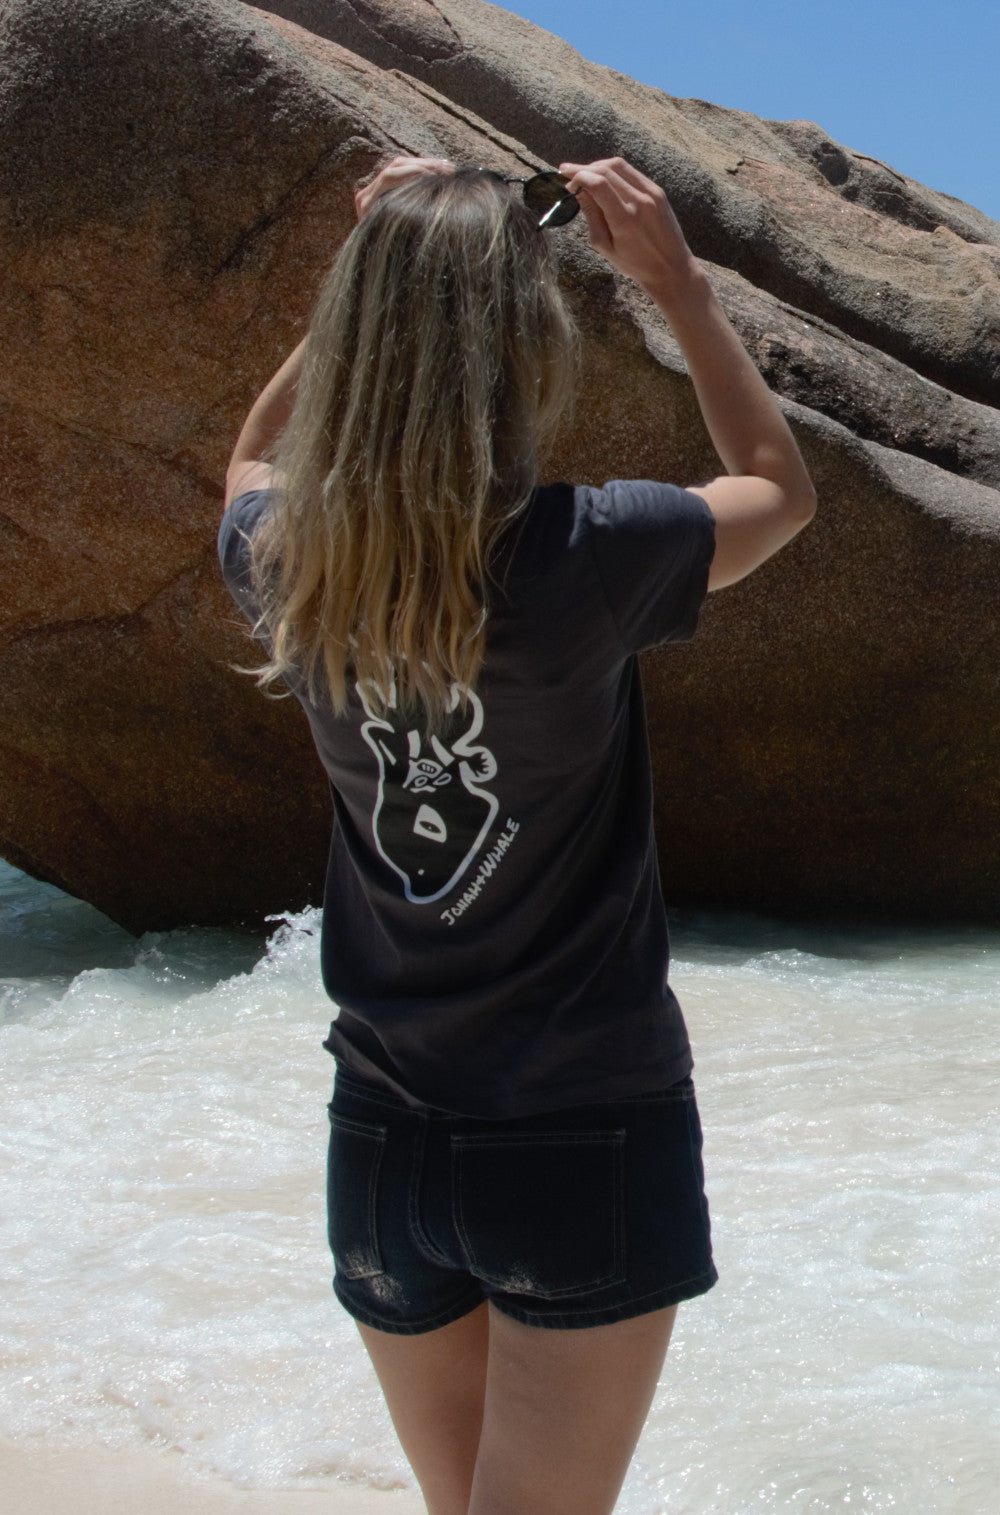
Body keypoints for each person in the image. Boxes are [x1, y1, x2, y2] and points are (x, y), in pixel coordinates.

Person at [219, 155, 815, 1515]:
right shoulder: (588, 551)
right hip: (578, 1134)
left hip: (379, 1139)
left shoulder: (282, 554)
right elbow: (778, 485)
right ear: (525, 355)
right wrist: (680, 289)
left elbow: (247, 463)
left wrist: (365, 284)